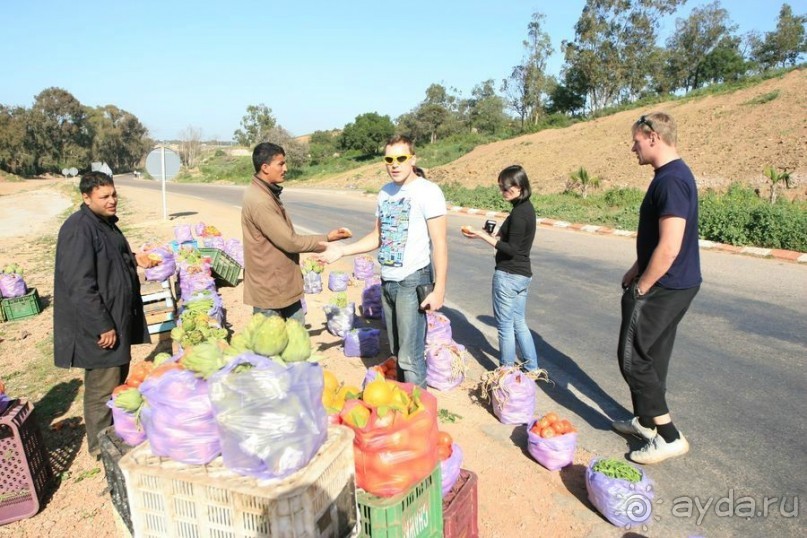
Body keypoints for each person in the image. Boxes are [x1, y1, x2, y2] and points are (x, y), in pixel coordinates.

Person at [317, 135, 448, 387]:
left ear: (412, 159)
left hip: (413, 281)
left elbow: (440, 243)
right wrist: (342, 251)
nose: (394, 164)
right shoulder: (385, 193)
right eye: (389, 159)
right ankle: (403, 403)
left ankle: (420, 411)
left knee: (410, 357)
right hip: (388, 281)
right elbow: (378, 235)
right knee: (398, 353)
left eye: (401, 158)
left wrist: (439, 288)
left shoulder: (428, 191)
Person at [613, 112, 702, 464]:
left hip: (665, 285)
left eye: (636, 140)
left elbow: (670, 245)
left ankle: (668, 435)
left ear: (652, 137)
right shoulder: (669, 176)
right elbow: (657, 240)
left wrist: (642, 286)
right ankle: (647, 423)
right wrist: (637, 267)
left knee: (633, 358)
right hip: (676, 282)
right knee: (653, 354)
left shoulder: (671, 181)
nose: (632, 147)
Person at [53, 171, 158, 458]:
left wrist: (135, 258)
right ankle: (101, 449)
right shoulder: (79, 229)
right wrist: (103, 325)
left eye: (114, 195)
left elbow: (110, 258)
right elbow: (80, 284)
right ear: (86, 198)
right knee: (102, 390)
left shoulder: (104, 224)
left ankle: (116, 435)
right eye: (104, 197)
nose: (112, 201)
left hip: (114, 318)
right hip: (98, 326)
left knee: (115, 382)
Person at [242, 142, 351, 324]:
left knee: (294, 340)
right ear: (265, 167)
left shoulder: (265, 193)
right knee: (274, 345)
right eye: (281, 164)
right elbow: (290, 242)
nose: (286, 168)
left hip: (280, 284)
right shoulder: (260, 201)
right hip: (271, 288)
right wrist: (326, 240)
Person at [462, 165, 540, 372]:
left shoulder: (519, 214)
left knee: (505, 327)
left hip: (508, 274)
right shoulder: (525, 208)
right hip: (522, 275)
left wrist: (481, 236)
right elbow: (514, 237)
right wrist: (490, 231)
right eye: (501, 188)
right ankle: (532, 368)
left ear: (519, 186)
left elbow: (512, 248)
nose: (502, 192)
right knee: (518, 323)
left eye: (506, 188)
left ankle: (505, 371)